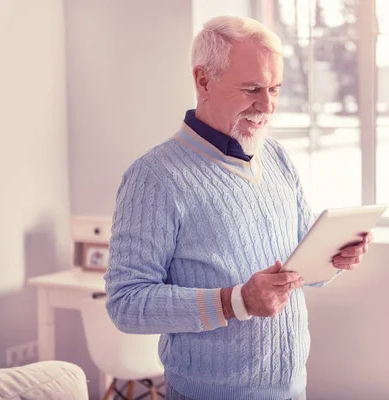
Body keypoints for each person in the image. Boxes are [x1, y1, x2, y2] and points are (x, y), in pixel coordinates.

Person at [104, 15, 373, 400]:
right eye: (252, 89)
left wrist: (333, 256)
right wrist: (236, 302)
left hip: (292, 390)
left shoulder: (277, 157)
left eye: (275, 88)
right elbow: (126, 303)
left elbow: (299, 270)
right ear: (202, 81)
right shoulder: (155, 177)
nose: (268, 105)